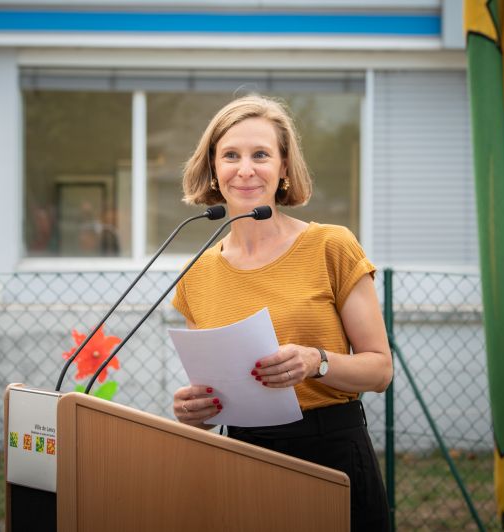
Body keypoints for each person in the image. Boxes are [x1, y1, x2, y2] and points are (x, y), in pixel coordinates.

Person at [171, 94, 392, 531]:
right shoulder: (194, 273)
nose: (245, 168)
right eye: (230, 155)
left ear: (285, 167)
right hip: (243, 456)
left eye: (261, 154)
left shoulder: (332, 245)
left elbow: (380, 371)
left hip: (332, 452)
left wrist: (317, 361)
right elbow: (213, 400)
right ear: (214, 169)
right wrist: (196, 412)